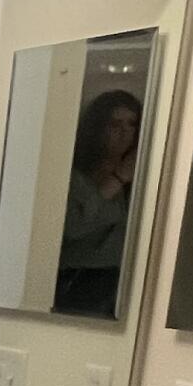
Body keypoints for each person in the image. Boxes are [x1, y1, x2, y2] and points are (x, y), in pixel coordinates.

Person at [51, 86, 141, 317]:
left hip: (122, 279)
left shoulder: (141, 180)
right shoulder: (73, 176)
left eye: (131, 124)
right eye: (115, 125)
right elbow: (73, 227)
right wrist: (118, 178)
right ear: (98, 128)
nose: (124, 133)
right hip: (77, 279)